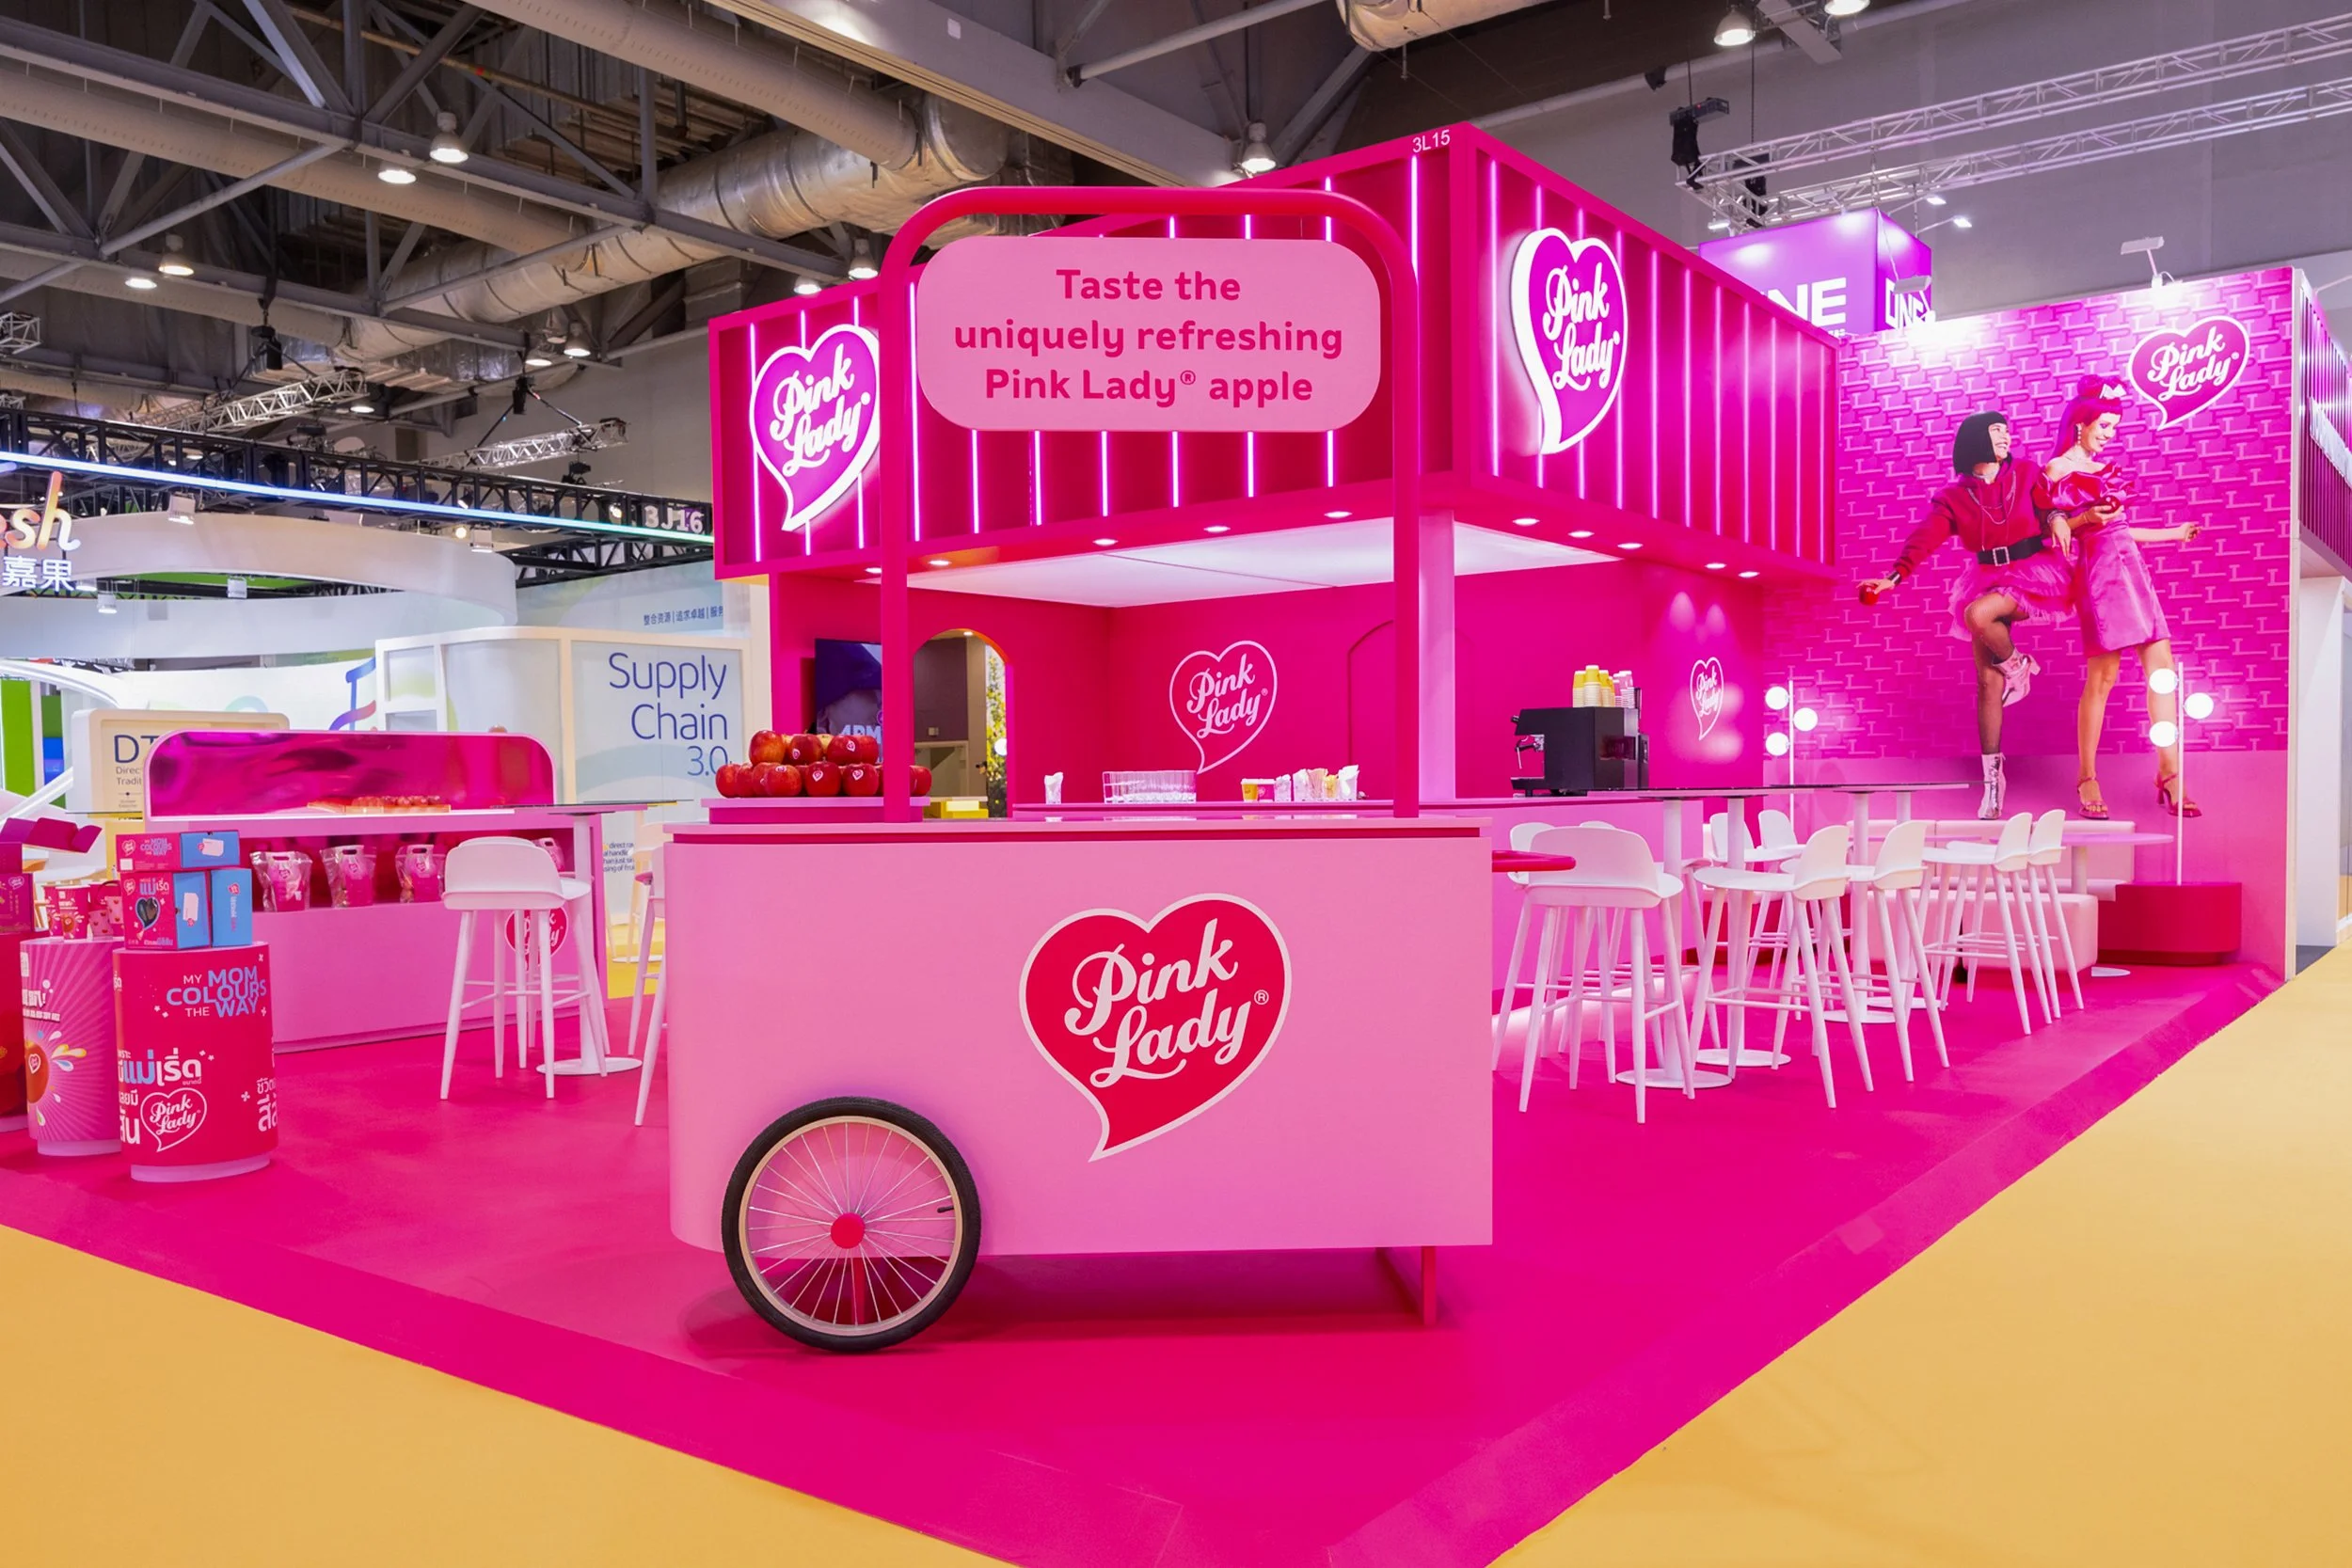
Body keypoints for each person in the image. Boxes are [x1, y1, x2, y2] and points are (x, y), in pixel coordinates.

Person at [1857, 411, 2074, 819]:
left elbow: (2048, 507)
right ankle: (1993, 783)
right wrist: (1894, 577)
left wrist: (2059, 519)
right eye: (1997, 433)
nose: (2007, 438)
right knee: (1987, 684)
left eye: (2008, 431)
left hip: (2030, 570)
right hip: (1984, 574)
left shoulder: (2026, 472)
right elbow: (1925, 536)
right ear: (1976, 440)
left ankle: (2019, 665)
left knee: (1978, 615)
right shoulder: (1954, 497)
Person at [2038, 376, 2202, 818]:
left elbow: (2121, 529)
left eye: (2114, 426)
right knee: (2103, 680)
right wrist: (2084, 516)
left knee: (2162, 673)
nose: (2111, 434)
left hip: (2132, 569)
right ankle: (2086, 776)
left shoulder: (2106, 470)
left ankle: (2169, 772)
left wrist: (2173, 533)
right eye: (2105, 425)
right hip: (2099, 576)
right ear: (2081, 425)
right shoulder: (2054, 472)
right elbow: (2049, 535)